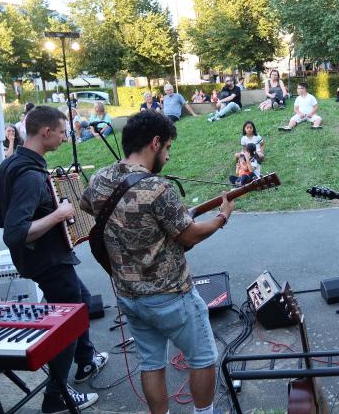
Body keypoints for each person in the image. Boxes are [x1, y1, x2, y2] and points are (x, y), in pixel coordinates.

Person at [80, 111, 230, 414]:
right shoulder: (157, 189)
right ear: (155, 142)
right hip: (172, 296)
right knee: (202, 358)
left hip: (129, 296)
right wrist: (222, 217)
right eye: (168, 148)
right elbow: (189, 236)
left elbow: (86, 205)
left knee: (151, 363)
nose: (168, 157)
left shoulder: (99, 179)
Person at [0, 106, 107, 413]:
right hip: (48, 261)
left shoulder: (11, 164)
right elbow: (14, 233)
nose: (64, 136)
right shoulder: (30, 177)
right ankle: (57, 397)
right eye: (61, 131)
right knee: (67, 322)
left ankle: (86, 360)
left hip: (44, 259)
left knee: (80, 298)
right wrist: (58, 214)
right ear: (45, 132)